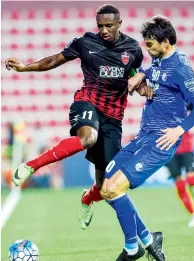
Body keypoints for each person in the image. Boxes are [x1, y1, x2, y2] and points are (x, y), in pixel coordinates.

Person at [5, 4, 153, 228]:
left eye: (109, 26)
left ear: (119, 24)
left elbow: (134, 74)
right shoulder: (85, 43)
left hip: (113, 118)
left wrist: (143, 87)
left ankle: (87, 199)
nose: (104, 30)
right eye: (100, 26)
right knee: (88, 138)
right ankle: (31, 166)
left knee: (106, 187)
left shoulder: (132, 48)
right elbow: (54, 60)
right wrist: (25, 68)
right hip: (87, 102)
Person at [98, 15, 194, 261]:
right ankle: (150, 239)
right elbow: (152, 72)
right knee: (106, 186)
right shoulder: (158, 60)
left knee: (115, 188)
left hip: (161, 141)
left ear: (165, 42)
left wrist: (179, 130)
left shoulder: (182, 69)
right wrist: (140, 75)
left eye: (151, 44)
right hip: (143, 135)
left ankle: (133, 248)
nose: (147, 49)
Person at [166, 104, 194, 228]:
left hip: (186, 148)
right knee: (180, 184)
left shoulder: (183, 99)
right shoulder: (159, 105)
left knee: (191, 179)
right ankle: (193, 214)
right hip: (169, 150)